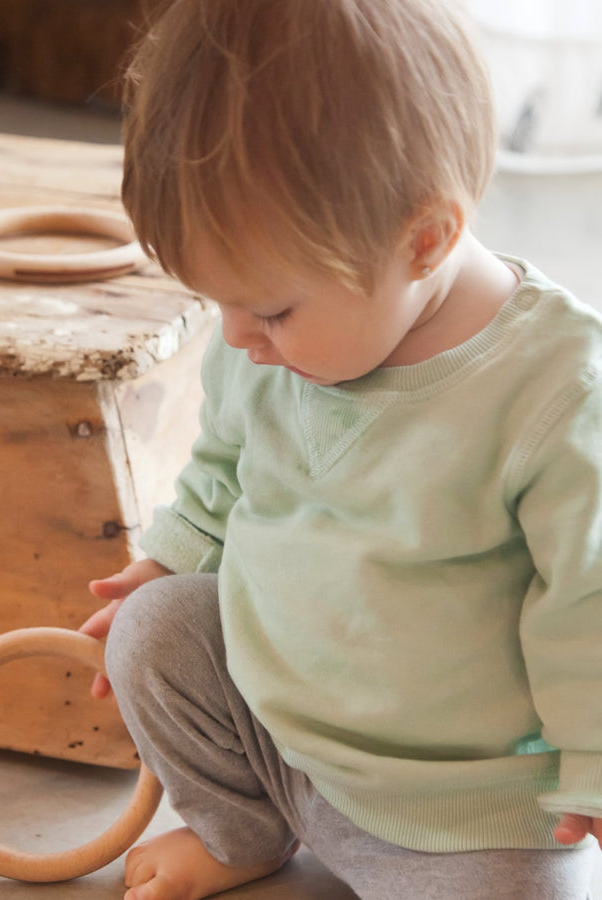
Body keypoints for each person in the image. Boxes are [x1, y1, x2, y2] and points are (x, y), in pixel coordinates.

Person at [79, 1, 602, 897]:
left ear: (425, 240)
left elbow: (589, 595)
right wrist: (169, 561)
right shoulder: (266, 342)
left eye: (271, 309)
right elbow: (221, 466)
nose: (238, 335)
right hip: (282, 749)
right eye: (220, 302)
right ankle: (241, 831)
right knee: (152, 634)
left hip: (462, 817)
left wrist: (593, 754)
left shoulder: (556, 391)